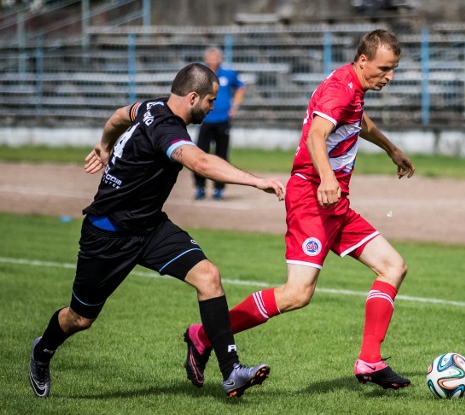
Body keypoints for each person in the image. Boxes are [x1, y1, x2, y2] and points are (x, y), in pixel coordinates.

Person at [29, 63, 286, 399]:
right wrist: (256, 180)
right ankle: (42, 351)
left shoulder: (152, 106)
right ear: (193, 97)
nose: (211, 108)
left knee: (208, 276)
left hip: (150, 227)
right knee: (79, 319)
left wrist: (104, 144)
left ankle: (231, 371)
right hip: (108, 234)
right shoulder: (167, 129)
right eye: (209, 101)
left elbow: (121, 114)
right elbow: (201, 163)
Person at [183, 29, 416, 390]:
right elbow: (316, 135)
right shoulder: (340, 89)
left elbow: (357, 122)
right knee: (297, 294)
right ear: (363, 60)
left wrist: (391, 148)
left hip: (334, 204)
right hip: (312, 198)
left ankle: (369, 360)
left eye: (394, 69)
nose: (389, 76)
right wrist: (326, 177)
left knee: (393, 266)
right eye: (385, 69)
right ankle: (204, 335)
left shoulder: (353, 87)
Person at [193, 46, 246, 200]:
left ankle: (218, 189)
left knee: (221, 155)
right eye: (210, 56)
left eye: (216, 56)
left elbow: (241, 87)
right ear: (206, 58)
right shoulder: (201, 75)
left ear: (220, 58)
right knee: (200, 154)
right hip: (205, 120)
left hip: (223, 120)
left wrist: (234, 106)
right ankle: (200, 187)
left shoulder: (228, 74)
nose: (213, 59)